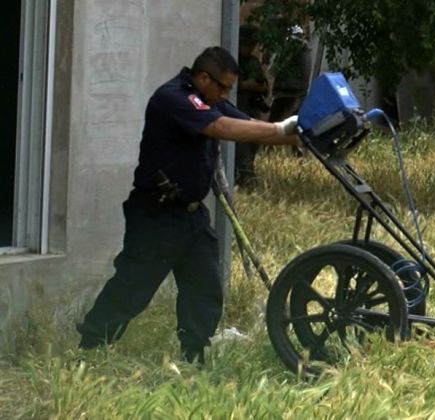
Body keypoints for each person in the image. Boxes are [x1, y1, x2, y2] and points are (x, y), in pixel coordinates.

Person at [76, 46, 299, 365]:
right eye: (221, 86)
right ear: (203, 77)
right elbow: (222, 128)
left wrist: (305, 134)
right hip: (156, 214)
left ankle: (192, 357)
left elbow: (250, 128)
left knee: (204, 288)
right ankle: (89, 350)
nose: (224, 95)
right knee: (132, 288)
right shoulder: (175, 98)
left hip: (191, 215)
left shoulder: (211, 100)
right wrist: (281, 128)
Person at [234, 23, 270, 188]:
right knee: (242, 149)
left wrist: (261, 87)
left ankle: (245, 178)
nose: (251, 48)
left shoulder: (253, 62)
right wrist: (245, 85)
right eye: (248, 45)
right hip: (238, 110)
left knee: (253, 145)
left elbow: (264, 84)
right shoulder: (233, 62)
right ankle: (247, 180)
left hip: (253, 109)